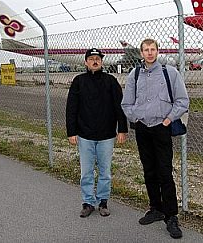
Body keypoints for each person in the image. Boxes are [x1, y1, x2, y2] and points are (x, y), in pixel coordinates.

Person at [121, 38, 189, 239]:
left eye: (153, 49)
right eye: (146, 50)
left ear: (157, 51)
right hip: (143, 128)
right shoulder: (134, 75)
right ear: (141, 53)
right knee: (149, 170)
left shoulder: (170, 73)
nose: (149, 53)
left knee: (165, 172)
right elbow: (126, 104)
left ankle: (171, 216)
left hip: (162, 128)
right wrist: (136, 118)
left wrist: (168, 120)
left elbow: (182, 100)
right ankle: (155, 208)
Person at [66, 48, 128, 218]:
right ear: (86, 62)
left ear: (102, 62)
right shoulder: (78, 81)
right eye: (91, 59)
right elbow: (71, 108)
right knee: (86, 172)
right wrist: (71, 132)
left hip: (106, 135)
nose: (95, 61)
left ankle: (103, 202)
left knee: (105, 171)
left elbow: (119, 106)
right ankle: (87, 202)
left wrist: (122, 129)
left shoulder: (110, 81)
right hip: (85, 135)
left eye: (97, 59)